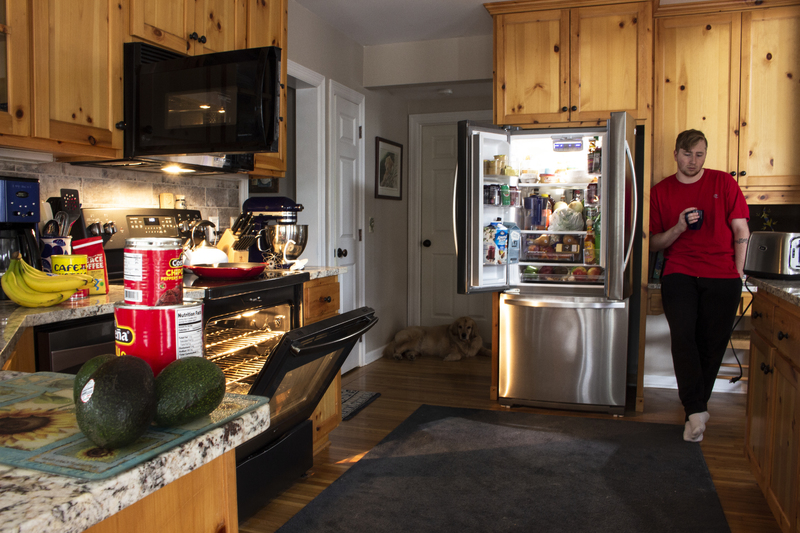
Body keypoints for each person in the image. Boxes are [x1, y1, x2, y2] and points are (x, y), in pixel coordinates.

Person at [649, 129, 750, 443]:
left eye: (699, 154)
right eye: (687, 154)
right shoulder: (660, 192)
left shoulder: (724, 183)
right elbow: (653, 243)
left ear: (705, 155)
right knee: (683, 337)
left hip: (722, 274)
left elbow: (741, 229)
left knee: (712, 344)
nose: (693, 161)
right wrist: (679, 227)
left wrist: (738, 272)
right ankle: (696, 410)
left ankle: (694, 413)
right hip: (679, 272)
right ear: (676, 154)